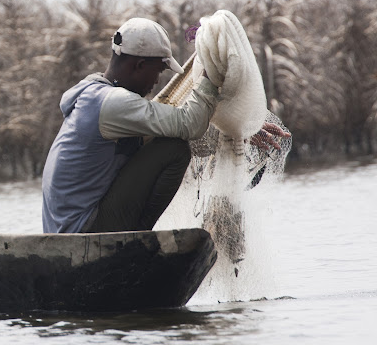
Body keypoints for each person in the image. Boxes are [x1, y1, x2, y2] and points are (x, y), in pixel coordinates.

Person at [41, 17, 286, 234]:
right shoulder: (113, 104)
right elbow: (188, 124)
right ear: (138, 66)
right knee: (172, 150)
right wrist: (210, 76)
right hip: (83, 230)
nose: (157, 81)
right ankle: (137, 242)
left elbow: (180, 127)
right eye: (158, 71)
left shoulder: (97, 96)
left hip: (74, 227)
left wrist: (239, 129)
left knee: (170, 141)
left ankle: (133, 239)